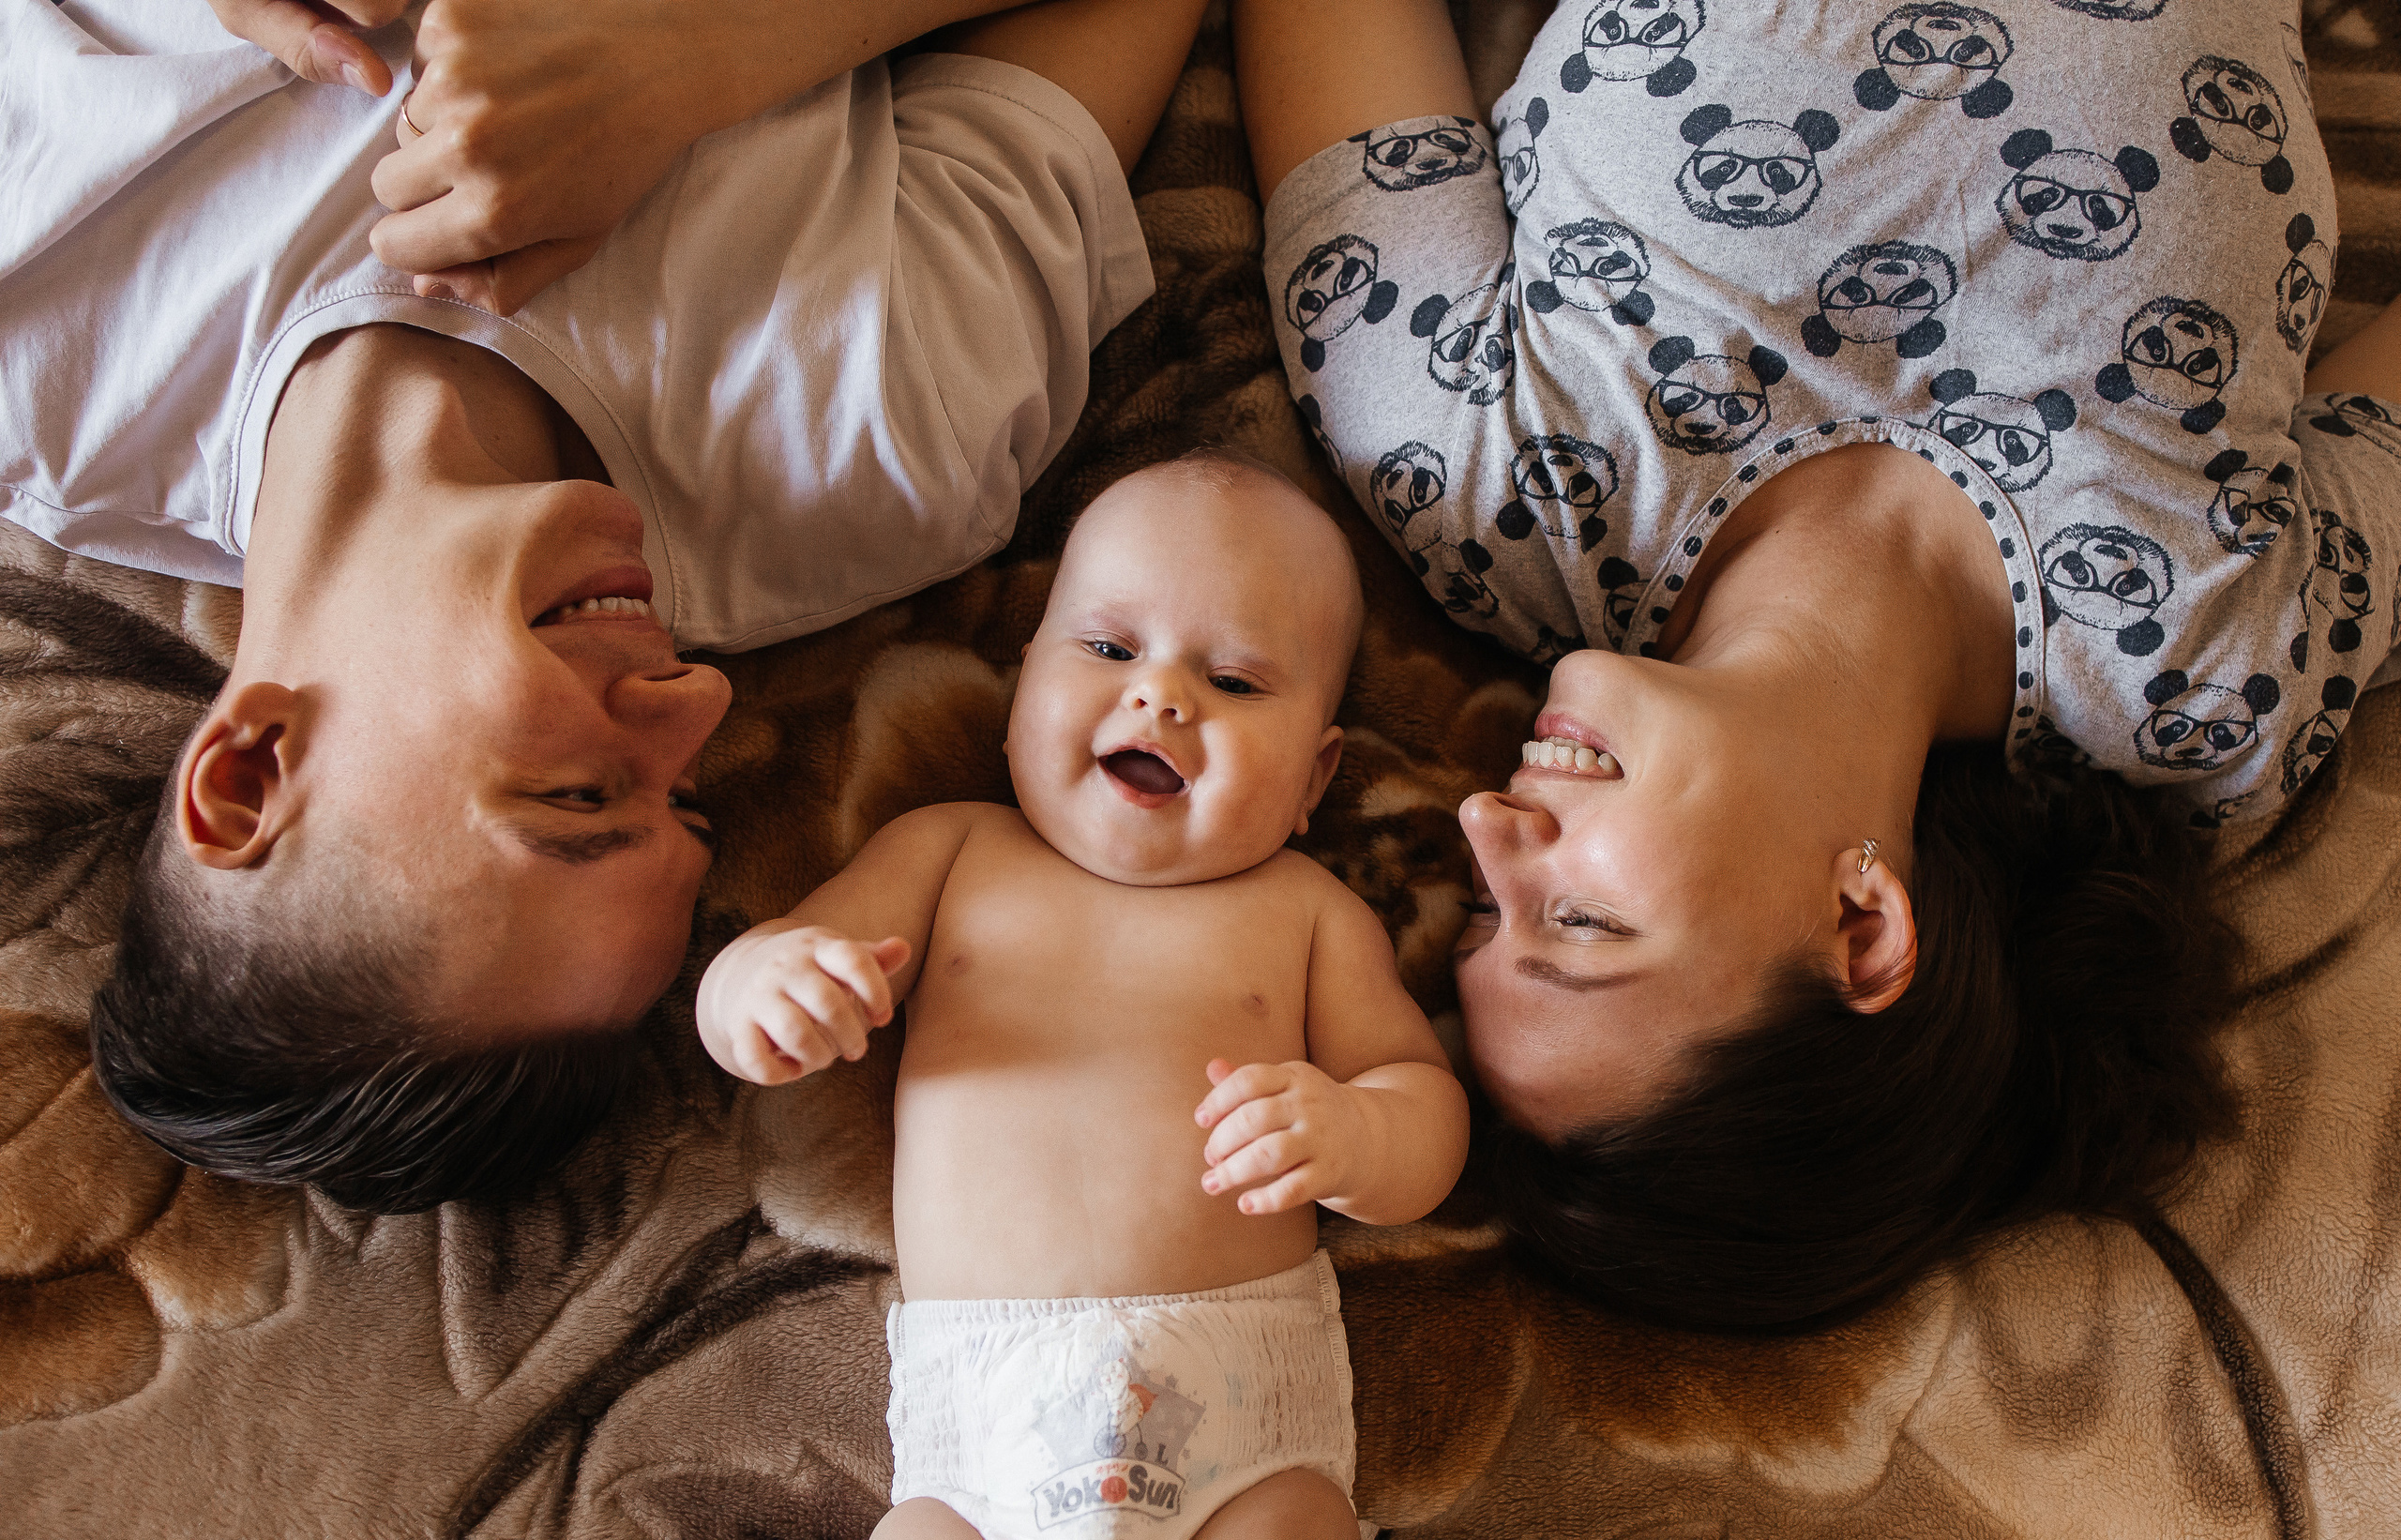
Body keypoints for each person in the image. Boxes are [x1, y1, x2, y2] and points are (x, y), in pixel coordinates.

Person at [1233, 0, 2401, 1330]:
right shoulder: (2206, 682)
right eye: (1580, 921)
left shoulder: (1472, 476)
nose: (1488, 826)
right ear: (1863, 926)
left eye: (1491, 916)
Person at [0, 0, 1209, 1211]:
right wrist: (703, 50)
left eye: (578, 794)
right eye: (681, 796)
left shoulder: (40, 329)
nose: (698, 701)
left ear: (250, 772)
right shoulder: (879, 440)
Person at [696, 451, 1469, 1539]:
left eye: (1236, 682)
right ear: (1018, 698)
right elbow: (780, 955)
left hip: (1237, 1403)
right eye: (1108, 648)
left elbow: (1424, 1108)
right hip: (984, 1412)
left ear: (1314, 779)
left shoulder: (1305, 911)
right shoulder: (947, 852)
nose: (1159, 693)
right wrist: (760, 990)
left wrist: (1356, 1131)